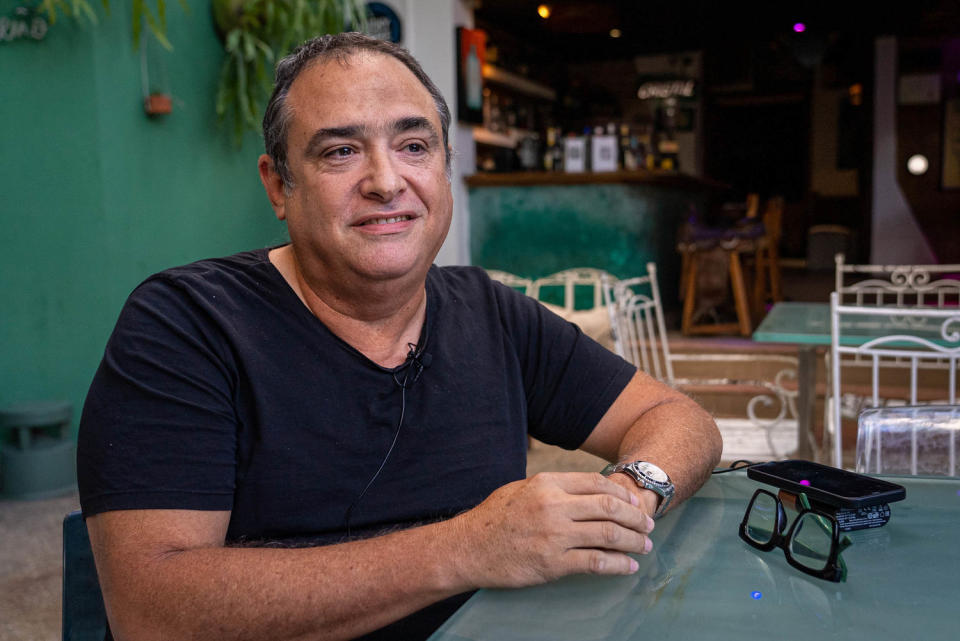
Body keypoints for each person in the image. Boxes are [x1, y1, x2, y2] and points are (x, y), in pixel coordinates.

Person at [77, 32, 722, 641]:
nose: (387, 181)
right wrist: (469, 547)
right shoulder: (186, 324)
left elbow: (680, 419)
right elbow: (151, 609)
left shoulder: (491, 313)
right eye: (340, 151)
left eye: (415, 146)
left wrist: (629, 495)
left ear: (445, 168)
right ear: (278, 185)